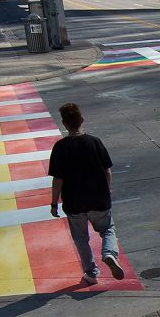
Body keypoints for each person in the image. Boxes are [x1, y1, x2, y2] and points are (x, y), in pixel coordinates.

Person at [47, 102, 125, 286]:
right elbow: (107, 171)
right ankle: (109, 254)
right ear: (82, 120)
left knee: (81, 238)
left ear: (64, 124)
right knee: (107, 229)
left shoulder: (60, 147)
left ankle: (91, 272)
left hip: (74, 203)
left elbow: (58, 179)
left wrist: (53, 203)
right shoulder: (95, 142)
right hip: (98, 199)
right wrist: (107, 190)